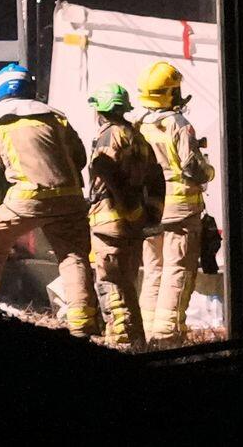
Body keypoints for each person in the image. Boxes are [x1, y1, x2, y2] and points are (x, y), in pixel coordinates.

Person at [0, 63, 96, 337]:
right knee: (73, 256)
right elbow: (80, 158)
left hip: (27, 197)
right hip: (69, 198)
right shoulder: (55, 117)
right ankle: (83, 326)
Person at [137, 60, 216, 346]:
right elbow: (192, 167)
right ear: (171, 92)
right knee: (177, 270)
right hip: (180, 212)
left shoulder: (138, 125)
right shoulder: (179, 124)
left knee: (153, 271)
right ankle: (167, 336)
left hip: (150, 211)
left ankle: (146, 332)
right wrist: (209, 171)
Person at [85, 82, 157, 348]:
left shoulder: (109, 135)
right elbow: (155, 177)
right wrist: (147, 215)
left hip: (110, 220)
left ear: (101, 110)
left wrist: (128, 207)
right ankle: (137, 341)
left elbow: (106, 171)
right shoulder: (136, 136)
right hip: (132, 224)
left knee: (110, 282)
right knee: (127, 283)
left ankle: (121, 343)